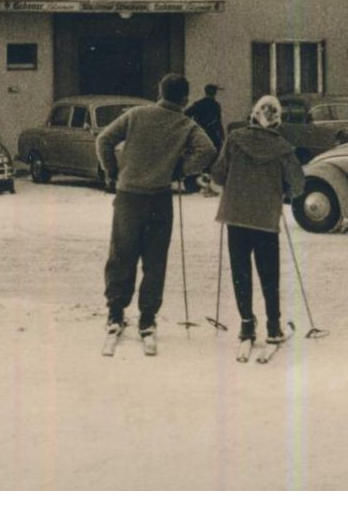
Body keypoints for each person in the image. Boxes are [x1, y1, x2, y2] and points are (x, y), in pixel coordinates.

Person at [96, 74, 217, 343]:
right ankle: (147, 318)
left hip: (128, 197)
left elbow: (103, 140)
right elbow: (208, 150)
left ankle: (115, 313)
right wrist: (180, 171)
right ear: (185, 99)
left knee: (121, 255)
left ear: (159, 92)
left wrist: (112, 172)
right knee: (155, 261)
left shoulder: (136, 114)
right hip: (160, 200)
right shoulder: (186, 124)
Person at [210, 94, 305, 348]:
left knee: (240, 272)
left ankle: (246, 324)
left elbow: (218, 176)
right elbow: (298, 185)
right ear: (277, 121)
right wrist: (283, 188)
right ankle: (273, 326)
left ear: (253, 115)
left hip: (235, 216)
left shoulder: (234, 139)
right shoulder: (283, 148)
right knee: (269, 273)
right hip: (265, 219)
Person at [183, 83, 225, 195]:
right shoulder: (216, 105)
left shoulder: (199, 104)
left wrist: (193, 125)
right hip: (212, 135)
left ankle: (198, 184)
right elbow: (218, 123)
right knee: (212, 160)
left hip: (199, 134)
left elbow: (186, 114)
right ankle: (208, 186)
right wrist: (222, 137)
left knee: (200, 158)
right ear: (214, 93)